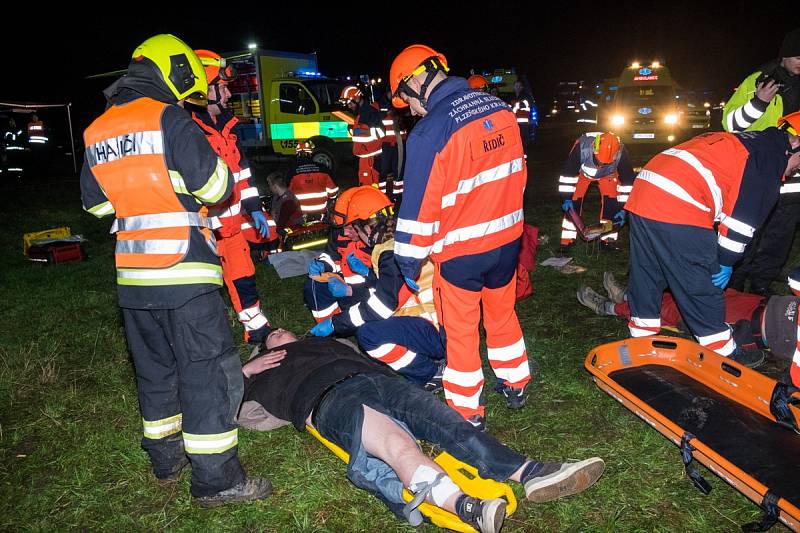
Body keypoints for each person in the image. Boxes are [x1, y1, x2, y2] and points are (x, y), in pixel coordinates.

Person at [79, 34, 270, 507]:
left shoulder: (97, 129)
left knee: (156, 372)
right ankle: (217, 480)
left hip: (133, 279)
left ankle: (165, 459)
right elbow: (214, 186)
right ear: (175, 71)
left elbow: (98, 205)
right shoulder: (170, 118)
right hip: (185, 273)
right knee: (206, 374)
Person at [238, 329, 605, 533]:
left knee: (448, 424)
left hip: (379, 381)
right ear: (263, 348)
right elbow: (246, 415)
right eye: (271, 335)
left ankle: (530, 472)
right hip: (330, 398)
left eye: (284, 329)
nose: (279, 331)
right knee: (397, 445)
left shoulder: (329, 342)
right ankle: (466, 507)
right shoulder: (266, 371)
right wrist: (248, 372)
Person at [389, 44, 531, 429]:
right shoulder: (497, 108)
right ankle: (516, 382)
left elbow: (417, 211)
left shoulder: (430, 131)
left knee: (461, 331)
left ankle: (467, 411)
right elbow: (517, 172)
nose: (413, 110)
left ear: (416, 80)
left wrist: (407, 261)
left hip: (462, 252)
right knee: (502, 314)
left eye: (408, 101)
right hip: (507, 241)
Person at [622, 117, 800, 368]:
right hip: (680, 198)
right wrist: (725, 261)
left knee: (648, 270)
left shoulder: (752, 142)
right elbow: (741, 223)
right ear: (795, 145)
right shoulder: (768, 161)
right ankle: (724, 352)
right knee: (699, 281)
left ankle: (641, 334)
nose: (793, 172)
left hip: (646, 189)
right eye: (798, 165)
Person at [309, 187, 445, 388]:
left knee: (369, 334)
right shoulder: (398, 240)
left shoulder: (389, 252)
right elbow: (392, 290)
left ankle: (430, 373)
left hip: (437, 327)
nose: (352, 234)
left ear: (367, 227)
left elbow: (382, 306)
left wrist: (335, 323)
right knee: (373, 322)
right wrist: (366, 278)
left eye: (355, 228)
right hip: (442, 321)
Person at [188, 49, 272, 346]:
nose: (227, 95)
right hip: (202, 232)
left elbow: (242, 174)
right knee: (202, 290)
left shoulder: (227, 128)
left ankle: (257, 331)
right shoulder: (187, 132)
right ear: (202, 92)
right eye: (222, 88)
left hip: (232, 228)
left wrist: (254, 208)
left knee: (244, 278)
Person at [577, 272, 800, 363]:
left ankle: (610, 308)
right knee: (699, 294)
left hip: (753, 324)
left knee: (677, 310)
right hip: (765, 302)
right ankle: (627, 295)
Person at [725, 28, 800, 296]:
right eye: (797, 54)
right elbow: (731, 124)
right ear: (783, 55)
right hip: (759, 170)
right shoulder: (759, 80)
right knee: (748, 231)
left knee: (780, 236)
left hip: (794, 179)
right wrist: (759, 102)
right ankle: (732, 283)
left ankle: (760, 287)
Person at [303, 186, 377, 323]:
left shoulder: (382, 246)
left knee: (367, 332)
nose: (345, 233)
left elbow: (387, 290)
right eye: (343, 228)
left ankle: (350, 322)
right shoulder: (340, 231)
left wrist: (351, 291)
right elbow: (331, 255)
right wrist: (323, 264)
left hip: (368, 296)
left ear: (367, 225)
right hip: (345, 286)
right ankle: (330, 325)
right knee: (313, 285)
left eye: (350, 228)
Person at [558, 132, 635, 252]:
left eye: (605, 163)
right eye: (599, 162)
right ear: (594, 148)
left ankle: (607, 240)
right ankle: (567, 241)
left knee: (612, 204)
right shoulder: (581, 147)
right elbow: (567, 175)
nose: (600, 165)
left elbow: (627, 183)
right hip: (582, 174)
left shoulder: (621, 152)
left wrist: (623, 208)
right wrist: (566, 197)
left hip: (608, 175)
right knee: (573, 205)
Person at [342, 85, 387, 192]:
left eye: (349, 103)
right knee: (366, 187)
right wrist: (354, 129)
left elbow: (381, 132)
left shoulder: (370, 113)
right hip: (365, 158)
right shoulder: (361, 114)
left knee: (371, 188)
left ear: (357, 99)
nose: (349, 106)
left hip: (371, 160)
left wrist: (362, 131)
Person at [288, 140, 339, 221]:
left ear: (297, 154)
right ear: (310, 153)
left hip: (301, 215)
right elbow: (333, 192)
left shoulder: (292, 172)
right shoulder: (323, 169)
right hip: (321, 212)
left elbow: (287, 196)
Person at [508, 79, 537, 156]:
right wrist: (515, 106)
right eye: (516, 86)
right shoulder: (511, 96)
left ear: (522, 87)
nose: (517, 87)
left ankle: (524, 157)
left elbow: (526, 104)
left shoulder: (526, 96)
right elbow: (507, 106)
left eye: (519, 86)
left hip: (523, 123)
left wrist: (514, 107)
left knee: (523, 140)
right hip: (513, 123)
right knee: (515, 140)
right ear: (513, 87)